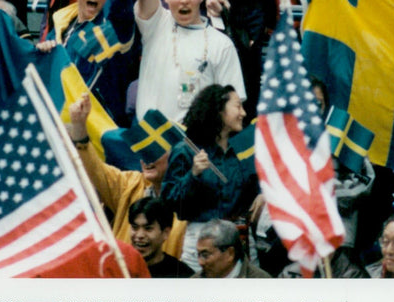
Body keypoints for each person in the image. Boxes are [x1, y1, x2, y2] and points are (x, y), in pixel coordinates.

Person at [133, 0, 245, 124]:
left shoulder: (221, 44)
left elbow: (233, 105)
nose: (184, 0)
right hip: (152, 143)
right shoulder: (156, 23)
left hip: (195, 147)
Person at [68, 94, 187, 259]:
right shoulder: (129, 184)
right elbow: (94, 169)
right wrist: (79, 127)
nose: (147, 159)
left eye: (154, 151)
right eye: (143, 151)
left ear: (176, 156)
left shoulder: (192, 198)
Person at [35, 0, 136, 122]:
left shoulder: (112, 28)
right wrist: (43, 53)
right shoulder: (62, 26)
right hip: (61, 121)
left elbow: (121, 10)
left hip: (99, 126)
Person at [161, 85, 258, 271]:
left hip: (239, 237)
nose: (244, 113)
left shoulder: (243, 149)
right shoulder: (186, 150)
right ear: (219, 110)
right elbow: (170, 201)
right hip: (200, 238)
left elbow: (255, 188)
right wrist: (194, 174)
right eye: (238, 106)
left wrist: (261, 195)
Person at [128, 197, 194, 278]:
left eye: (148, 228)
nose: (139, 235)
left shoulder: (182, 276)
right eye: (135, 227)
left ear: (166, 232)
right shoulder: (117, 267)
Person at [192, 219, 271, 278]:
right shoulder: (194, 284)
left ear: (230, 253)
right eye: (198, 254)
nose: (200, 262)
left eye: (205, 255)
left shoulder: (261, 283)